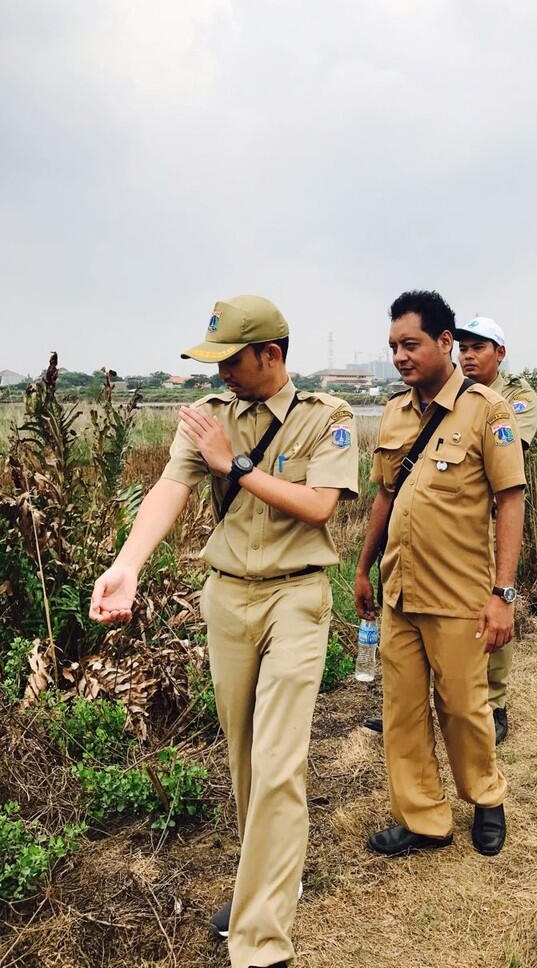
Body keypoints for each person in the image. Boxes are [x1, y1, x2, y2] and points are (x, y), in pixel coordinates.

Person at [89, 296, 358, 968]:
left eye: (232, 361)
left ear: (271, 354)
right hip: (227, 598)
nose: (223, 375)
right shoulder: (207, 419)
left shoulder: (327, 418)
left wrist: (235, 466)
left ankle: (262, 941)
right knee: (242, 756)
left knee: (277, 760)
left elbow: (320, 506)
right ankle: (267, 876)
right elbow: (167, 492)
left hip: (296, 596)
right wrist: (126, 566)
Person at [354, 291, 526, 858]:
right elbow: (384, 493)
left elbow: (510, 501)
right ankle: (425, 818)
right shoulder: (396, 413)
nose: (400, 356)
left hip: (458, 593)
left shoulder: (486, 410)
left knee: (463, 706)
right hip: (399, 591)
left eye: (411, 344)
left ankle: (485, 797)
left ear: (445, 343)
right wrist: (362, 568)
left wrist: (502, 593)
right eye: (393, 347)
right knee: (400, 711)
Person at [455, 316, 537, 745]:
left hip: (491, 519)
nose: (468, 356)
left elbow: (505, 457)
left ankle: (495, 703)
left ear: (499, 353)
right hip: (451, 522)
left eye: (479, 348)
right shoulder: (449, 391)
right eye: (463, 348)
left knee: (495, 602)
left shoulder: (517, 397)